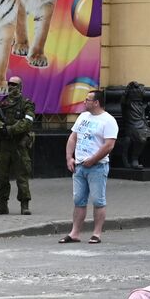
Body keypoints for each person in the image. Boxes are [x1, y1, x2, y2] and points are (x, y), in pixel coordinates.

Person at [60, 89, 117, 244]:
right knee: (79, 200)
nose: (84, 102)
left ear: (96, 102)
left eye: (87, 100)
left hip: (97, 167)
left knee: (98, 200)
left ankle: (96, 233)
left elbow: (109, 145)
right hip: (79, 166)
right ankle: (75, 233)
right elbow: (73, 137)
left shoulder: (108, 120)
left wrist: (92, 160)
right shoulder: (83, 116)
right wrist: (69, 157)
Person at [0, 76, 35, 215]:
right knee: (2, 177)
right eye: (9, 84)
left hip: (19, 145)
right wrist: (1, 127)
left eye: (14, 84)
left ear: (20, 87)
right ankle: (2, 205)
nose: (11, 86)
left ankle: (24, 205)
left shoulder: (26, 104)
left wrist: (12, 129)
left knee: (22, 176)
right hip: (4, 145)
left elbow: (28, 121)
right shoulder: (2, 104)